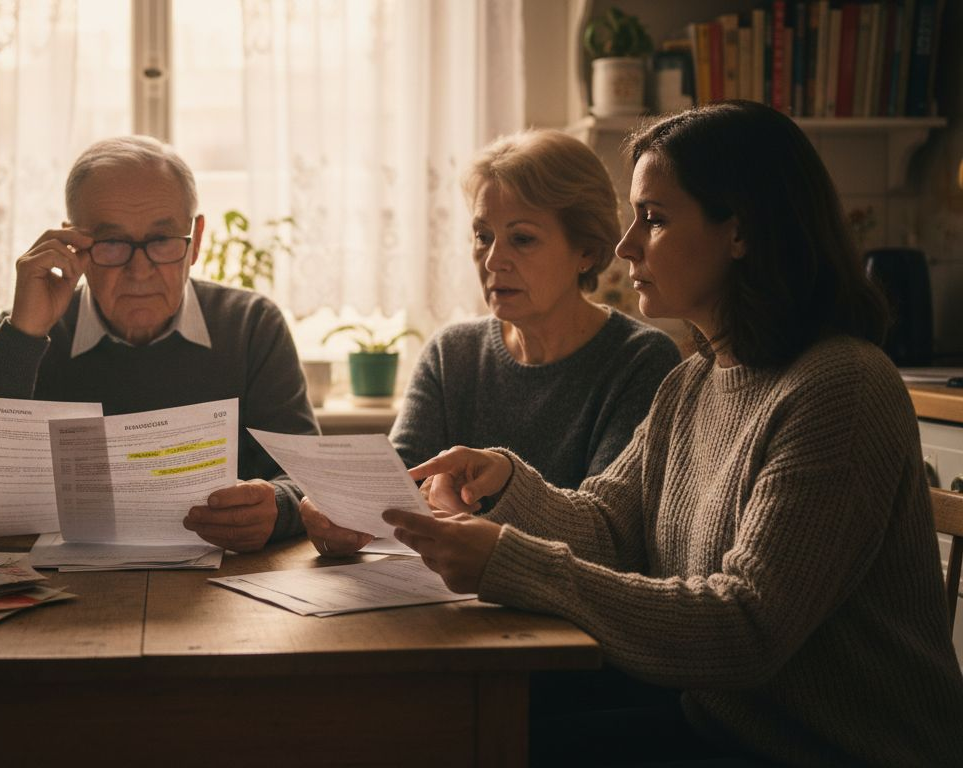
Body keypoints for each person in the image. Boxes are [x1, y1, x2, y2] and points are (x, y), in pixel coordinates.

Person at [385, 101, 963, 765]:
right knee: (460, 735)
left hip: (828, 750)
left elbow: (747, 628)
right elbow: (610, 525)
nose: (626, 245)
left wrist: (508, 562)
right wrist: (507, 482)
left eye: (653, 219)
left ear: (738, 231)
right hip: (721, 727)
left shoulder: (840, 389)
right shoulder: (694, 381)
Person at [0, 135, 318, 552]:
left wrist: (275, 506)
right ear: (74, 244)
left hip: (223, 592)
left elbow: (311, 482)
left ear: (196, 241)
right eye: (112, 243)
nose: (140, 270)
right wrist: (24, 336)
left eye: (162, 240)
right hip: (60, 595)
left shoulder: (251, 326)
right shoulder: (23, 332)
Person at [302, 129, 679, 556]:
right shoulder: (452, 352)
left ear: (587, 252)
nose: (494, 260)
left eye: (522, 238)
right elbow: (398, 484)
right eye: (483, 236)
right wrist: (339, 508)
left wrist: (467, 521)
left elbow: (606, 535)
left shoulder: (641, 360)